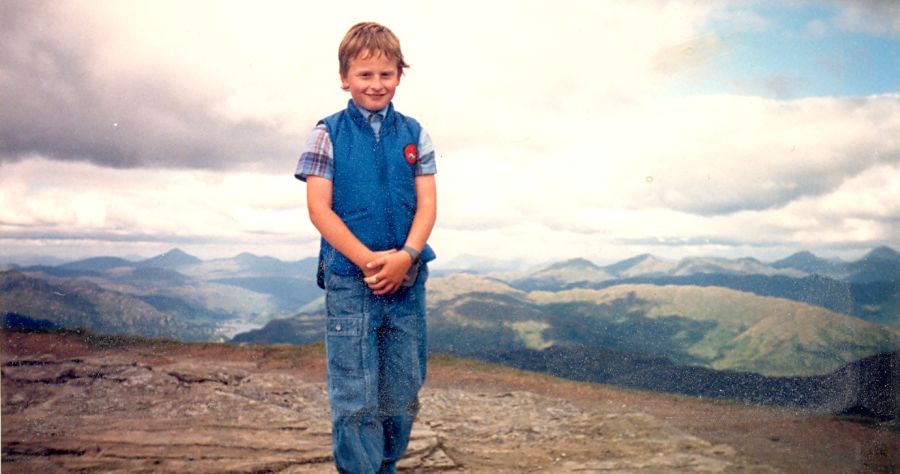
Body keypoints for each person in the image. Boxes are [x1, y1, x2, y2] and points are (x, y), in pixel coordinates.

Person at [294, 21, 437, 474]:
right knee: (355, 394)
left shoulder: (415, 134)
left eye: (386, 75)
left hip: (407, 281)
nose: (376, 84)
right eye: (364, 75)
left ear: (399, 76)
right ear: (344, 77)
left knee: (401, 391)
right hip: (351, 281)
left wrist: (406, 258)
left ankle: (386, 467)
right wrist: (373, 263)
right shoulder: (327, 133)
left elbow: (428, 206)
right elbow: (320, 210)